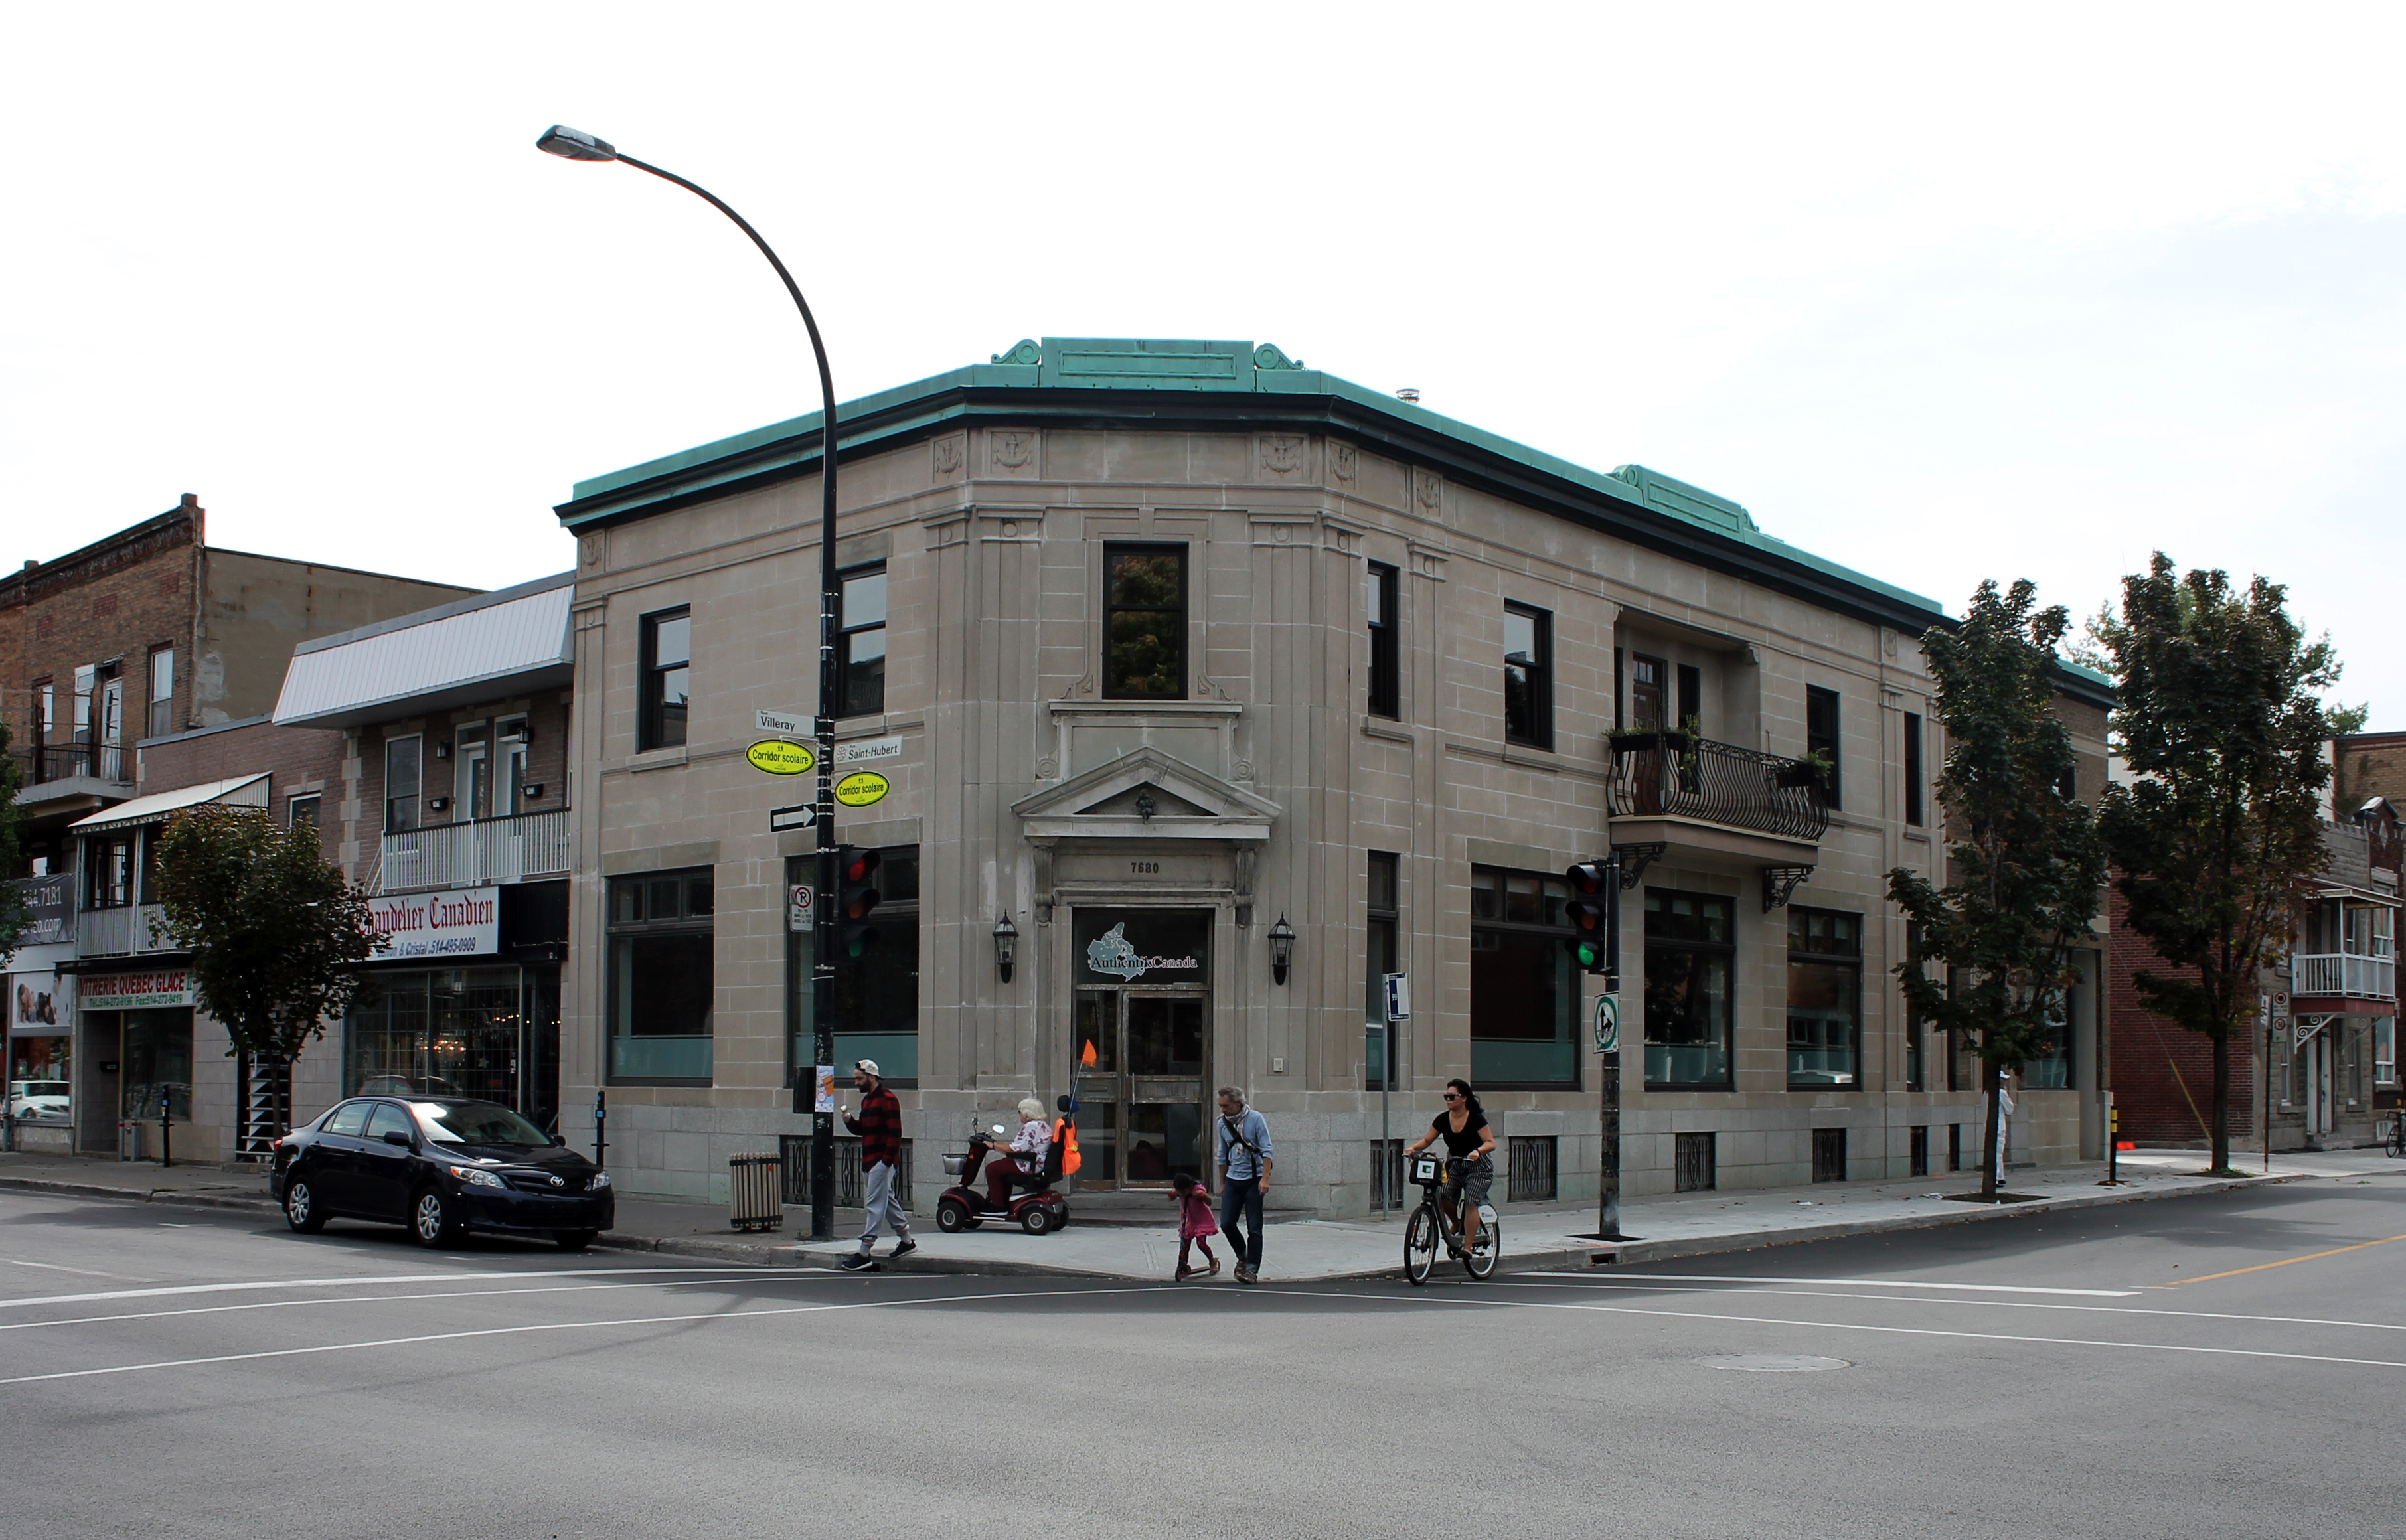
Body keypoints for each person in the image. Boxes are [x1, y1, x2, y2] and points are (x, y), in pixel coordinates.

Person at [1403, 1077, 1496, 1255]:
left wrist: (1478, 1151)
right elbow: (1427, 1140)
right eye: (1446, 1096)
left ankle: (1468, 1247)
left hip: (1478, 1166)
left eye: (1452, 1097)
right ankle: (1456, 1223)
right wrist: (1413, 1148)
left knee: (1470, 1202)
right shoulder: (1443, 1119)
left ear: (1464, 1098)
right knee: (1444, 1194)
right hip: (1454, 1163)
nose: (1448, 1100)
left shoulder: (1476, 1119)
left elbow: (1491, 1143)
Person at [838, 1059, 914, 1272]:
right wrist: (849, 1120)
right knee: (885, 1200)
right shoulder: (868, 1101)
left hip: (881, 1161)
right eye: (855, 1078)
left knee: (874, 1205)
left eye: (859, 1078)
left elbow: (895, 1133)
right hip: (870, 1160)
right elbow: (863, 1130)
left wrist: (886, 1162)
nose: (856, 1083)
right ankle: (907, 1241)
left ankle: (865, 1251)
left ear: (872, 1077)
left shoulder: (888, 1099)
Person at [1214, 1086, 1273, 1284]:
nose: (1223, 1110)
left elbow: (1267, 1150)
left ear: (1238, 1103)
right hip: (1233, 1180)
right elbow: (1222, 1155)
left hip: (1254, 1180)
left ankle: (1252, 1269)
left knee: (1254, 1227)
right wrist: (1223, 1183)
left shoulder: (1255, 1119)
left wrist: (1265, 1178)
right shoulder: (1222, 1123)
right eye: (1221, 1105)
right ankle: (1243, 1255)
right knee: (1227, 1223)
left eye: (1226, 1106)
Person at [983, 1097, 1052, 1213]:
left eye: (1020, 1112)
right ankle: (1003, 1202)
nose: (1019, 1114)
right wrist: (996, 1145)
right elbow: (1019, 1146)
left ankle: (998, 1206)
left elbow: (1015, 1149)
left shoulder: (1032, 1126)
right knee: (1002, 1167)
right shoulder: (1042, 1125)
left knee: (992, 1169)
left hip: (1030, 1164)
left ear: (1026, 1113)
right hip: (1036, 1161)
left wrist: (993, 1146)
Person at [1171, 1172, 1220, 1280]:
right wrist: (1174, 1194)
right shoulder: (1180, 1192)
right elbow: (1170, 1198)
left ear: (1190, 1187)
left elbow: (1210, 1202)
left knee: (1201, 1243)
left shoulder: (1198, 1190)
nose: (1181, 1195)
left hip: (1202, 1221)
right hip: (1189, 1221)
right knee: (1185, 1244)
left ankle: (1212, 1260)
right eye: (1179, 1192)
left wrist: (1202, 1196)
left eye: (1183, 1192)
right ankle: (1182, 1265)